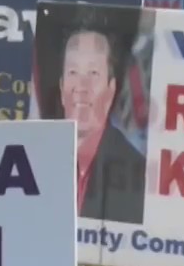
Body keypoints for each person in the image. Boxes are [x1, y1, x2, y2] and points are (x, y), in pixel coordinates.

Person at [48, 23, 146, 224]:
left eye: (93, 73)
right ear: (61, 88)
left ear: (111, 90)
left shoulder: (139, 176)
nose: (81, 87)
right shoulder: (35, 160)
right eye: (73, 73)